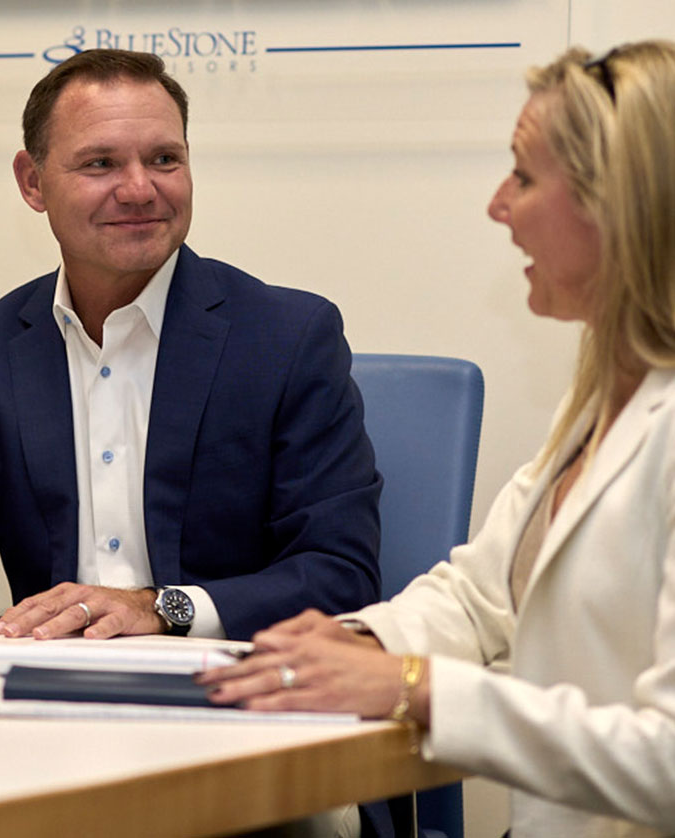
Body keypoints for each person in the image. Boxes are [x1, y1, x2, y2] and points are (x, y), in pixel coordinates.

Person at [200, 40, 675, 836]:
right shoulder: (604, 404)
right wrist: (354, 639)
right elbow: (484, 594)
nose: (499, 205)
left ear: (615, 205)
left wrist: (417, 688)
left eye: (524, 178)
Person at [0, 48, 382, 646]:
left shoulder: (286, 338)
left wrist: (162, 607)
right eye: (100, 163)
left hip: (227, 684)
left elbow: (340, 573)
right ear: (33, 182)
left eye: (164, 159)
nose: (138, 189)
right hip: (39, 689)